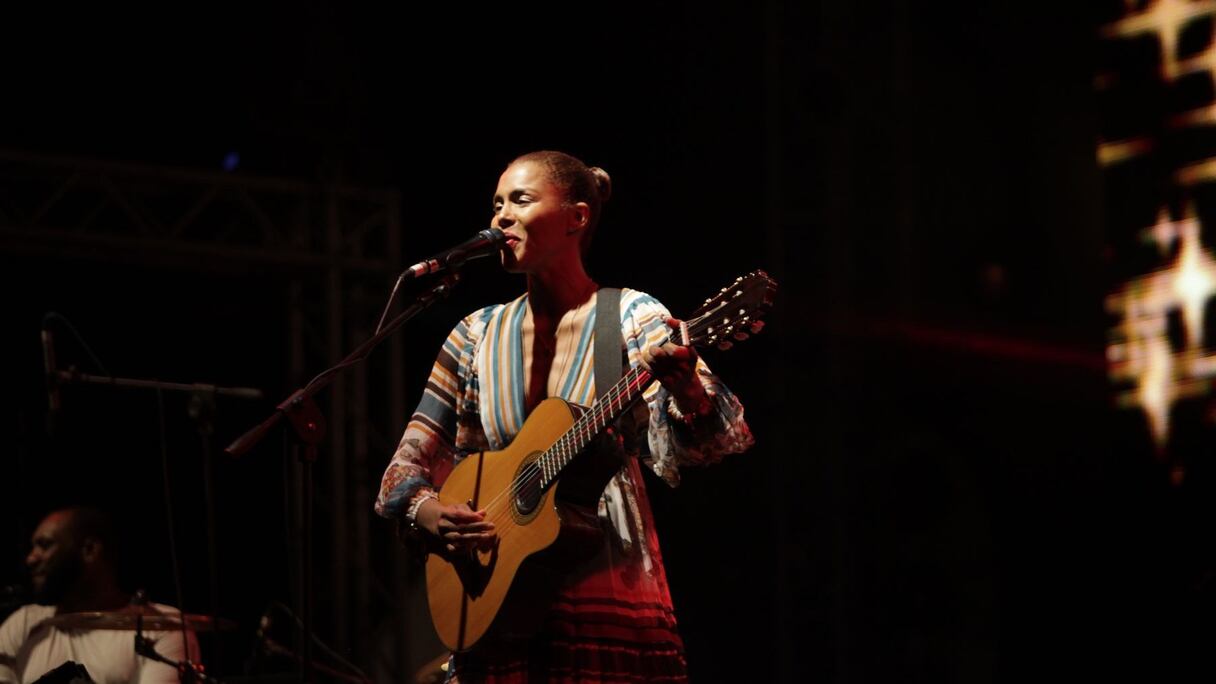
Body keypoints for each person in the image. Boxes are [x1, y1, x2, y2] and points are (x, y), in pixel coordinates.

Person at [375, 150, 754, 682]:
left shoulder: (631, 316)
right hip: (495, 595)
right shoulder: (473, 336)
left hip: (604, 586)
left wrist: (687, 386)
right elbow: (404, 469)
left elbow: (709, 441)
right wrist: (433, 515)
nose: (501, 217)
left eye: (521, 200)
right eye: (497, 204)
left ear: (577, 216)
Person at [0, 507, 198, 684]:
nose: (31, 558)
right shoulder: (24, 623)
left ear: (90, 550)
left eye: (45, 545)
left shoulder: (163, 627)